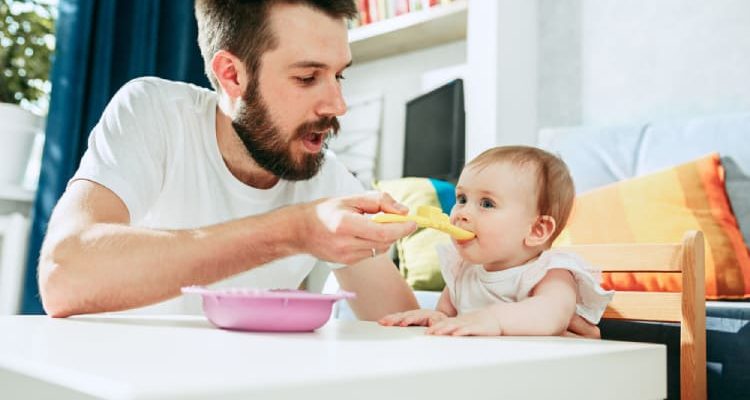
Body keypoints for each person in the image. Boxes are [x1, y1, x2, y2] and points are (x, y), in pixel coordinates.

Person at [37, 0, 420, 319]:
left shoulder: (327, 179)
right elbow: (63, 276)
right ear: (232, 75)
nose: (338, 105)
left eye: (340, 76)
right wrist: (292, 232)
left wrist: (476, 282)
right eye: (306, 77)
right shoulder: (154, 113)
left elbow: (402, 329)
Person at [379, 146, 614, 337]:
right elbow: (449, 319)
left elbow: (550, 316)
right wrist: (434, 319)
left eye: (487, 204)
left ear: (537, 229)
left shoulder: (550, 272)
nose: (461, 213)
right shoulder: (462, 271)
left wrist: (494, 320)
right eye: (461, 198)